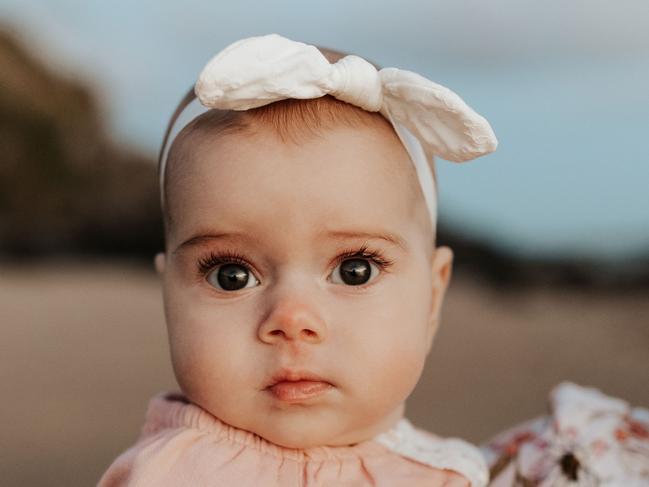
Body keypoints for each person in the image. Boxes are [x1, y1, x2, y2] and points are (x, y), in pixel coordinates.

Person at [97, 33, 499, 486]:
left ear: (432, 296)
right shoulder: (175, 475)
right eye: (232, 276)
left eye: (354, 270)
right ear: (168, 297)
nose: (292, 319)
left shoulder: (452, 473)